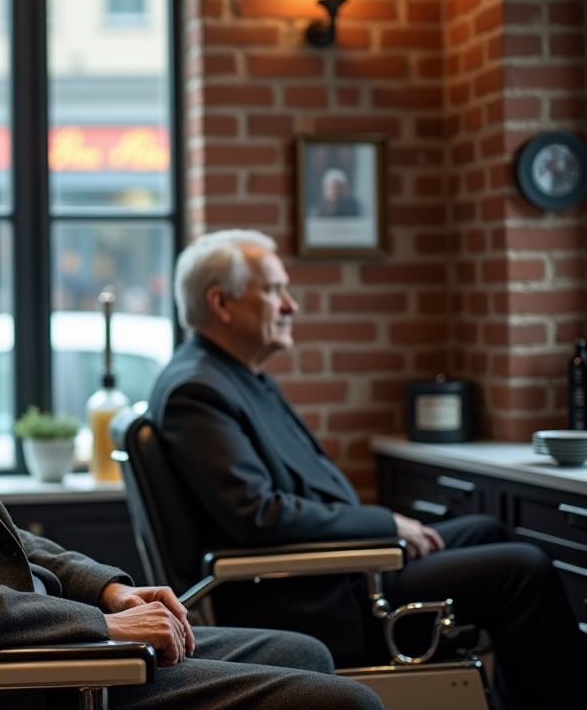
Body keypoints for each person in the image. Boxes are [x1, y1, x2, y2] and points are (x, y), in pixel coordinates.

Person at [0, 165, 384, 710]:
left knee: (304, 652)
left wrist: (106, 588)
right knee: (345, 701)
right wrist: (104, 628)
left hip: (28, 649)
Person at [146, 229, 587, 707]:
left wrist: (385, 530)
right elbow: (259, 514)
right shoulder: (198, 391)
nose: (291, 305)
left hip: (334, 569)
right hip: (313, 593)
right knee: (524, 569)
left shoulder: (231, 375)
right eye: (274, 290)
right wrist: (386, 525)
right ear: (222, 303)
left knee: (486, 530)